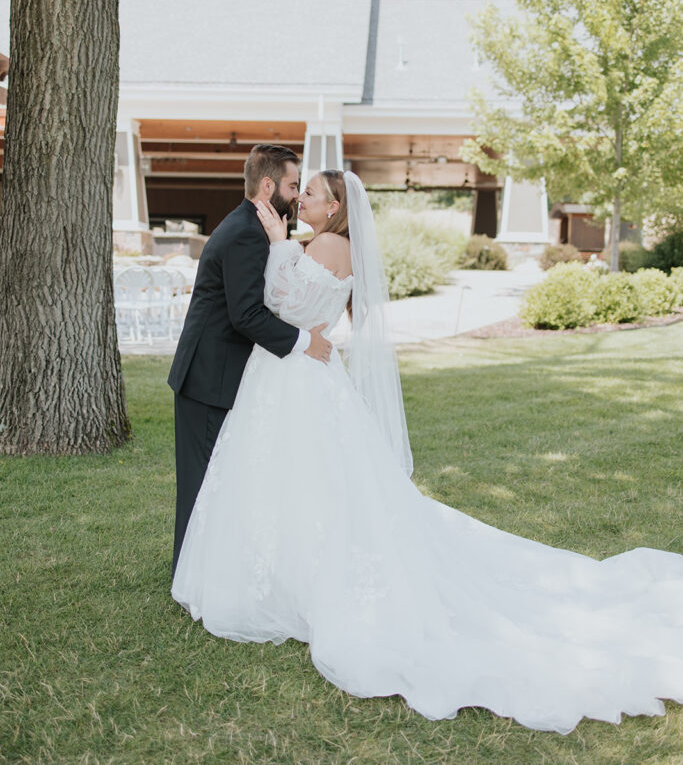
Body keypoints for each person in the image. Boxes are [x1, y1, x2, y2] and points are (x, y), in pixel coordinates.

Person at [171, 170, 683, 734]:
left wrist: (274, 248)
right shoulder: (330, 245)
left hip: (294, 376)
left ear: (334, 205)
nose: (302, 200)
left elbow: (278, 301)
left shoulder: (324, 244)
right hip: (302, 374)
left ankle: (289, 578)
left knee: (296, 478)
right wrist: (285, 251)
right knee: (311, 481)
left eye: (311, 193)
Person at [168, 144, 332, 576]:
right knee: (203, 485)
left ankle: (211, 570)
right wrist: (303, 342)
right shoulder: (244, 231)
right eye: (294, 185)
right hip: (208, 376)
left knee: (219, 480)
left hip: (221, 373)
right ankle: (190, 575)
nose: (298, 195)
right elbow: (246, 315)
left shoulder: (255, 226)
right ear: (267, 185)